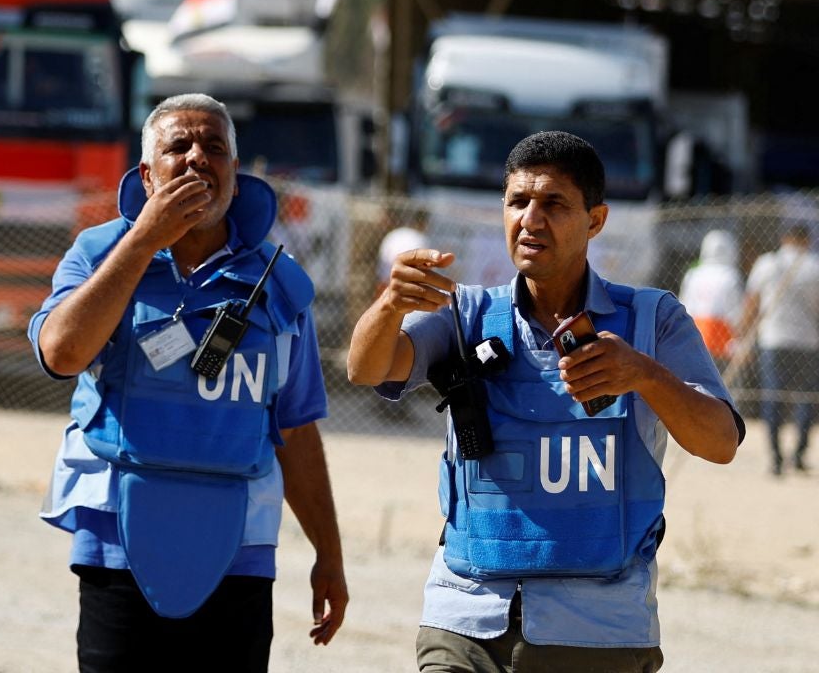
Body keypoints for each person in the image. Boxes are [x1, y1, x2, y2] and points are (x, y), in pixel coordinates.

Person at [347, 130, 743, 672]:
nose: (531, 219)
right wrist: (390, 304)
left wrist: (644, 375)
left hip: (597, 629)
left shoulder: (653, 320)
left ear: (595, 221)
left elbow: (721, 443)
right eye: (518, 202)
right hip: (465, 614)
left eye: (554, 204)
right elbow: (367, 368)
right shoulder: (464, 314)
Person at [28, 93, 348, 672]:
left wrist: (329, 553)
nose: (199, 157)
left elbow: (296, 427)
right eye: (180, 146)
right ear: (147, 174)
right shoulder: (97, 252)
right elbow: (62, 352)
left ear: (234, 172)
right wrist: (145, 241)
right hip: (119, 542)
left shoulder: (278, 281)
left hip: (239, 549)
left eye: (215, 148)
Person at [740, 224, 819, 476]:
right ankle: (798, 454)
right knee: (804, 397)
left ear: (785, 238)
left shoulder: (767, 263)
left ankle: (775, 457)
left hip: (773, 338)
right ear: (806, 240)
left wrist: (742, 333)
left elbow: (752, 302)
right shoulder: (814, 267)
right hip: (806, 341)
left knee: (772, 395)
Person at [679, 229, 744, 363]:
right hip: (722, 341)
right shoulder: (730, 275)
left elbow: (684, 306)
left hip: (694, 337)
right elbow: (735, 312)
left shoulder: (692, 275)